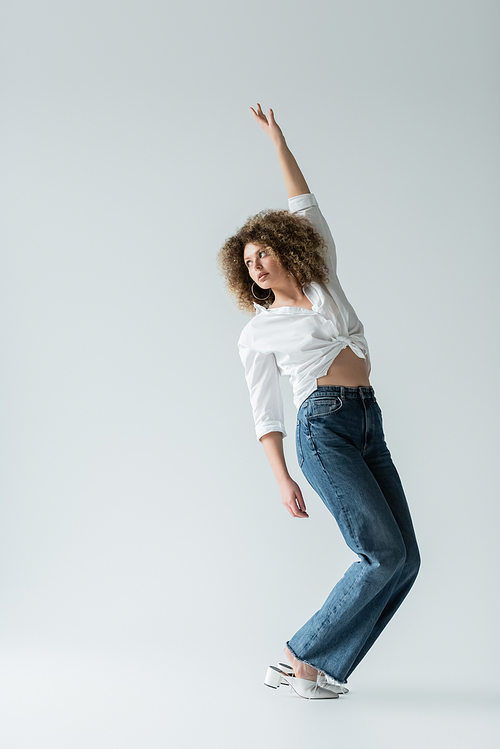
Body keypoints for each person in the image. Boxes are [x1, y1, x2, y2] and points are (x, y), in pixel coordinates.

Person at [217, 104, 421, 700]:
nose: (257, 265)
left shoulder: (323, 279)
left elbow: (305, 205)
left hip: (367, 421)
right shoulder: (257, 332)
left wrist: (280, 143)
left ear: (284, 249)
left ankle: (321, 670)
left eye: (264, 252)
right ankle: (295, 654)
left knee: (404, 561)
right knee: (381, 552)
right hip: (322, 430)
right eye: (248, 261)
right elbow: (267, 413)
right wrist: (282, 478)